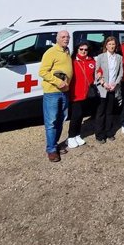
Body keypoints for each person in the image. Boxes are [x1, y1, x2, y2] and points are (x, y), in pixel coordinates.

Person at [39, 30, 73, 162]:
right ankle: (51, 150)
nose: (66, 39)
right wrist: (58, 82)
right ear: (57, 39)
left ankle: (55, 145)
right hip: (52, 92)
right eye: (63, 37)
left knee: (61, 119)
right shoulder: (51, 52)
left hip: (64, 92)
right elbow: (42, 72)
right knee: (52, 122)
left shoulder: (67, 51)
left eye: (67, 37)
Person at [66, 42, 97, 149]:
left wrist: (100, 74)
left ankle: (77, 135)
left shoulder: (91, 61)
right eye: (81, 49)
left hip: (87, 94)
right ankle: (70, 137)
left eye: (86, 49)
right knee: (76, 116)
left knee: (81, 115)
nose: (83, 51)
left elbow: (97, 71)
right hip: (75, 94)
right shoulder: (72, 61)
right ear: (77, 49)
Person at [94, 36, 123, 143]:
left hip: (112, 88)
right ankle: (100, 135)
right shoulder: (100, 57)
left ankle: (109, 132)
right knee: (101, 112)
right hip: (103, 89)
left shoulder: (119, 58)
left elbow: (120, 73)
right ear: (106, 45)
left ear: (116, 46)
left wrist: (115, 84)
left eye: (113, 44)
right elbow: (97, 71)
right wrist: (103, 83)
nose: (111, 46)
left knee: (110, 112)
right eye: (109, 44)